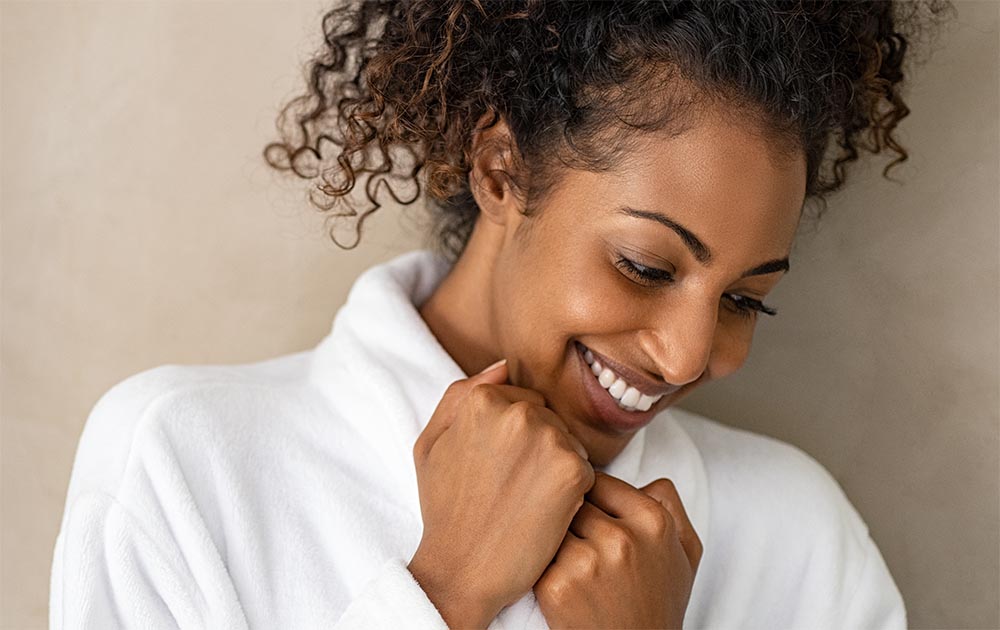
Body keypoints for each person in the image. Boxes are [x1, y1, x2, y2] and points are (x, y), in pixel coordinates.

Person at [51, 0, 955, 628]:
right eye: (644, 266)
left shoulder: (797, 537)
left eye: (745, 300)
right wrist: (443, 595)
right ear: (500, 173)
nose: (686, 356)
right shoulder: (185, 465)